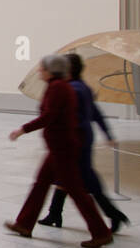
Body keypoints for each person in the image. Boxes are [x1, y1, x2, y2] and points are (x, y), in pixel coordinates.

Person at [5, 54, 112, 248]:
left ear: (50, 70)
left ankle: (101, 232)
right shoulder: (60, 86)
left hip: (62, 147)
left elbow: (49, 116)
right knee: (41, 184)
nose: (39, 71)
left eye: (41, 68)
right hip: (59, 146)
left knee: (76, 190)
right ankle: (24, 224)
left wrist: (22, 130)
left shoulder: (58, 88)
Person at [39, 53, 130, 233]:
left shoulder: (72, 89)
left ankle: (113, 215)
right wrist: (107, 133)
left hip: (75, 140)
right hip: (80, 138)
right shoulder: (81, 87)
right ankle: (54, 213)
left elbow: (75, 117)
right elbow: (95, 113)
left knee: (85, 181)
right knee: (65, 178)